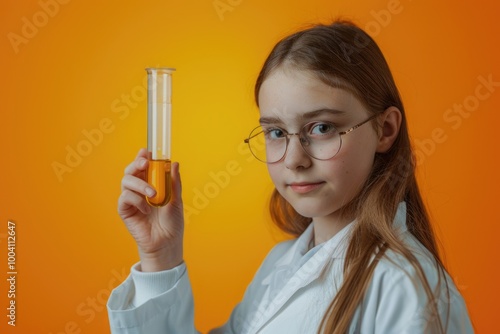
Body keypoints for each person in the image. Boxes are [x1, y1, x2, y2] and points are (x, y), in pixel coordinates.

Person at [107, 20, 473, 333]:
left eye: (322, 127)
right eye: (277, 133)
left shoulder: (408, 289)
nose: (295, 160)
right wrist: (161, 255)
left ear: (385, 129)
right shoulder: (283, 263)